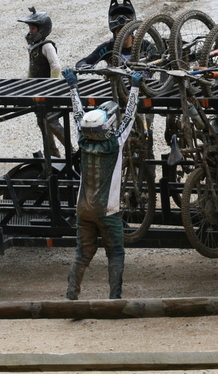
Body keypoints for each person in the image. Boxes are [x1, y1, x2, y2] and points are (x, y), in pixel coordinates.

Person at [62, 67, 143, 300]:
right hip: (107, 211)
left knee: (82, 254)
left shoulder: (82, 139)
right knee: (115, 252)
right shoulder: (115, 143)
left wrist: (72, 86)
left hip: (83, 209)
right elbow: (129, 116)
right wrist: (135, 87)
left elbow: (77, 112)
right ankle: (114, 298)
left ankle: (71, 295)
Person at [18, 6, 66, 157]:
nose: (30, 31)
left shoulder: (47, 46)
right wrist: (28, 83)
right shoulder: (33, 47)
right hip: (39, 91)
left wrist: (52, 87)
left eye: (33, 28)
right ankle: (52, 152)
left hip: (48, 92)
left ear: (42, 30)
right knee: (42, 121)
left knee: (52, 122)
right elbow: (32, 67)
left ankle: (71, 150)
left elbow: (56, 66)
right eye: (30, 28)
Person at [75, 0, 136, 68]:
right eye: (119, 31)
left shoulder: (144, 45)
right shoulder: (107, 47)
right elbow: (82, 62)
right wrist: (85, 66)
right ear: (114, 31)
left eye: (126, 30)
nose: (123, 35)